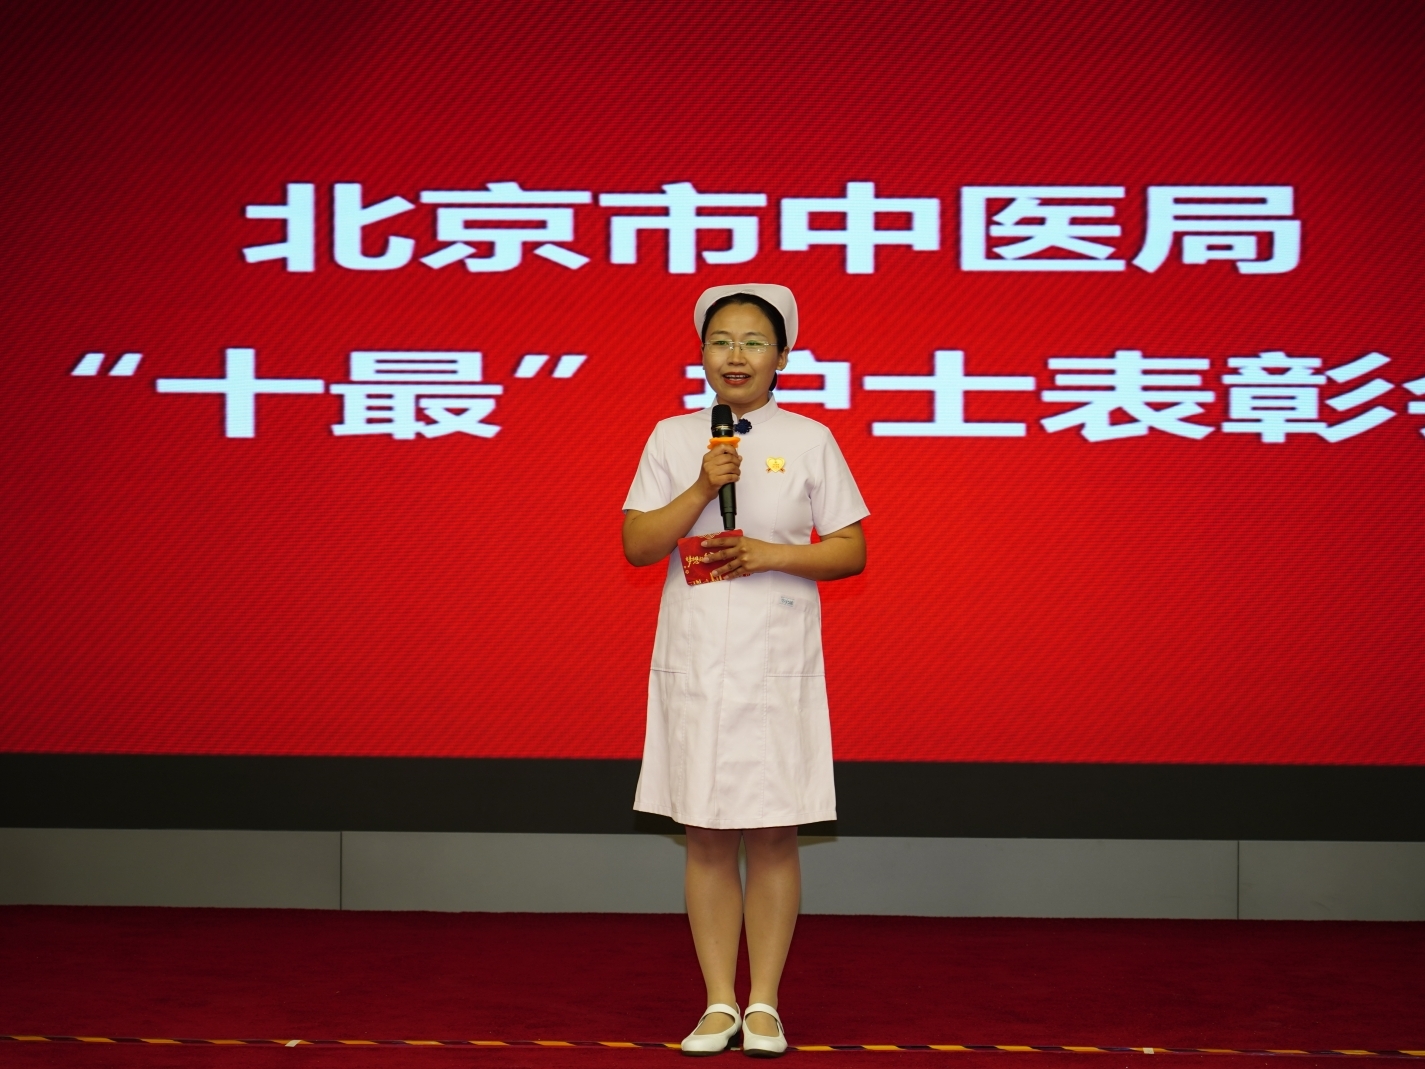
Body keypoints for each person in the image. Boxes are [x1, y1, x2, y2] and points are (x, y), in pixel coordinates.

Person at [622, 284, 869, 1057]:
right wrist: (702, 485)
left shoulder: (809, 438)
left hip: (774, 653)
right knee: (703, 832)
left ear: (781, 356)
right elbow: (637, 544)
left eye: (754, 341)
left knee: (771, 829)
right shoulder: (671, 437)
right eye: (721, 340)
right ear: (702, 353)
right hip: (697, 653)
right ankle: (717, 1003)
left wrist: (769, 553)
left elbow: (851, 549)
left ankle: (763, 1002)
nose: (736, 355)